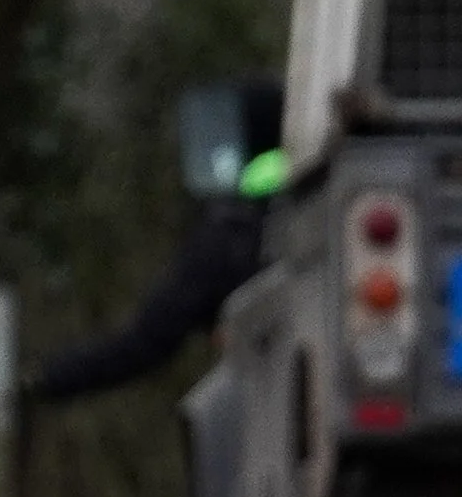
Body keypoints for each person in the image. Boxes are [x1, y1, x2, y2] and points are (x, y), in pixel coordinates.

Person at [24, 75, 288, 424]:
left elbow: (146, 343)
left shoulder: (229, 235)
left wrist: (48, 379)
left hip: (271, 413)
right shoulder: (314, 202)